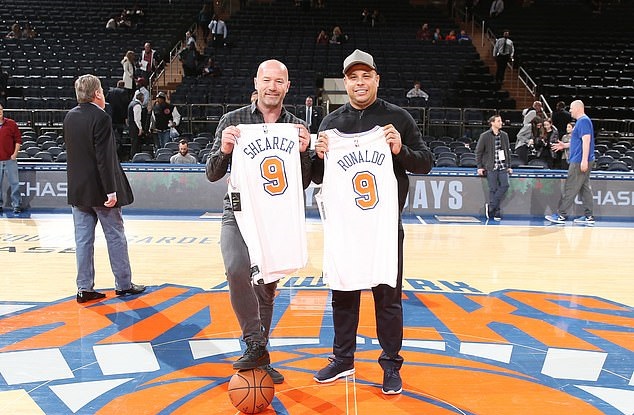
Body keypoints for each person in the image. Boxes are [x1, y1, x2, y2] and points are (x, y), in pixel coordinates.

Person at [311, 49, 433, 395]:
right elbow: (317, 176)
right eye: (353, 77)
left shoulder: (398, 118)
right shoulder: (331, 124)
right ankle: (343, 359)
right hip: (345, 227)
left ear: (377, 79)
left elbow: (425, 162)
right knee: (343, 295)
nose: (360, 83)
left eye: (366, 76)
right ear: (345, 82)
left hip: (384, 227)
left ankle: (391, 364)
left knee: (388, 298)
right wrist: (317, 155)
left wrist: (400, 150)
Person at [205, 59, 312, 384]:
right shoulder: (232, 120)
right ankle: (255, 342)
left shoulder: (295, 126)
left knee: (265, 287)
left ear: (287, 86)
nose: (272, 87)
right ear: (256, 82)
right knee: (236, 269)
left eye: (279, 81)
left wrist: (305, 152)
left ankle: (259, 353)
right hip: (237, 212)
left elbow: (305, 181)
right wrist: (224, 150)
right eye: (267, 80)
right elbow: (212, 173)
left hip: (276, 215)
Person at [63, 74, 146, 303]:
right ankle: (124, 285)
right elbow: (104, 157)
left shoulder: (69, 116)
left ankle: (84, 288)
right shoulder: (101, 117)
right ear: (97, 93)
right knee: (115, 236)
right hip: (101, 191)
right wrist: (111, 190)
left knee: (83, 241)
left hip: (78, 191)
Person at [546, 100, 595, 225]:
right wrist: (565, 145)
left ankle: (561, 215)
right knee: (584, 188)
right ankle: (589, 216)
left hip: (579, 161)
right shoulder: (582, 121)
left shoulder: (583, 121)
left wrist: (584, 160)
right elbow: (578, 141)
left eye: (572, 108)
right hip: (581, 159)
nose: (570, 111)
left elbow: (586, 141)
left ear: (578, 108)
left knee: (570, 187)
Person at [475, 115, 512, 220]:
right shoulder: (485, 136)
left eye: (501, 121)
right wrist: (479, 166)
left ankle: (491, 206)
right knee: (493, 189)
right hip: (491, 166)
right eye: (499, 121)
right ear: (492, 123)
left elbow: (507, 151)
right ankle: (496, 212)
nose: (501, 123)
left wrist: (509, 166)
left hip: (502, 166)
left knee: (505, 185)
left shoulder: (504, 135)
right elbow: (478, 152)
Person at [0, 103, 22, 214]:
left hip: (10, 160)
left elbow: (18, 140)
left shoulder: (11, 124)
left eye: (0, 109)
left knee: (15, 183)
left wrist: (15, 154)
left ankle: (16, 205)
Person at [128, 91, 145, 158]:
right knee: (136, 144)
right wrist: (140, 128)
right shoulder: (137, 105)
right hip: (135, 127)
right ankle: (134, 158)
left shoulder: (131, 103)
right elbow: (137, 119)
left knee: (134, 144)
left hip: (131, 127)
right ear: (142, 98)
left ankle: (133, 157)